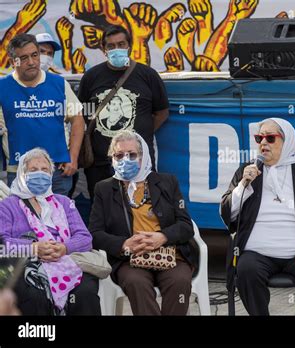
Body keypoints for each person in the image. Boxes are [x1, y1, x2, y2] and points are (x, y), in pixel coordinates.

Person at [220, 118, 295, 316]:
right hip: (256, 252)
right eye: (259, 138)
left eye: (271, 138)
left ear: (287, 141)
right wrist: (243, 185)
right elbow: (227, 213)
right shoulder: (247, 171)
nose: (263, 143)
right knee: (246, 269)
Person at [89, 130, 196, 315]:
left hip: (170, 254)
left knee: (179, 281)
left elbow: (186, 226)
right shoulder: (104, 189)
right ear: (112, 159)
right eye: (119, 155)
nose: (125, 160)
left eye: (132, 155)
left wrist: (162, 237)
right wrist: (123, 244)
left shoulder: (167, 182)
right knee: (136, 282)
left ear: (143, 156)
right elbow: (95, 233)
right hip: (130, 259)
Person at [0, 148, 100, 315]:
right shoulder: (8, 205)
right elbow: (3, 243)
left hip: (68, 263)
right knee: (35, 295)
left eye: (44, 170)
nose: (40, 174)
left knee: (85, 293)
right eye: (33, 170)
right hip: (28, 265)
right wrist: (34, 248)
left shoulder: (64, 202)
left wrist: (64, 248)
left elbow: (84, 238)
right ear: (22, 174)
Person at [78, 25, 169, 200]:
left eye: (121, 44)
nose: (116, 49)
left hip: (138, 161)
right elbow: (83, 114)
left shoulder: (148, 75)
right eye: (111, 46)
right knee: (103, 212)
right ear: (104, 50)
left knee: (143, 208)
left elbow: (161, 112)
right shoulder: (91, 77)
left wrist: (138, 136)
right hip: (101, 163)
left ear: (130, 46)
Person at [0, 34, 84, 196]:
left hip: (56, 170)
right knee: (23, 220)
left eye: (34, 55)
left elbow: (78, 119)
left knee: (58, 219)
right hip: (19, 171)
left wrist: (73, 157)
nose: (31, 62)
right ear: (12, 62)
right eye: (23, 57)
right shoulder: (2, 87)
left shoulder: (59, 84)